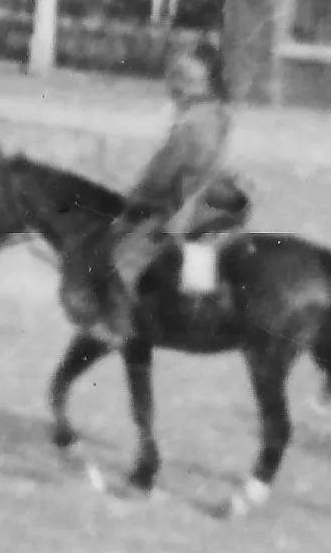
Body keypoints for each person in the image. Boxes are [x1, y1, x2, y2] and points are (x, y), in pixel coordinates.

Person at [99, 39, 240, 334]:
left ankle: (120, 327)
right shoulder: (219, 113)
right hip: (218, 197)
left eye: (179, 82)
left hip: (187, 202)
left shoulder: (188, 124)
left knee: (123, 260)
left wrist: (135, 197)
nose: (174, 90)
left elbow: (162, 173)